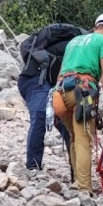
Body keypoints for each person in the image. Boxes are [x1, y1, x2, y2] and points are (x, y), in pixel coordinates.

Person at [52, 13, 103, 193]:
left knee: (74, 137)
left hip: (60, 95)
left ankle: (76, 181)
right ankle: (83, 187)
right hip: (81, 92)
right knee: (83, 139)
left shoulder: (74, 41)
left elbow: (60, 72)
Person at [17, 23, 86, 172]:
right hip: (34, 80)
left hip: (54, 85)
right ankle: (33, 166)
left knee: (70, 125)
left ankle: (78, 175)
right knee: (42, 112)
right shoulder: (76, 46)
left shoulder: (79, 47)